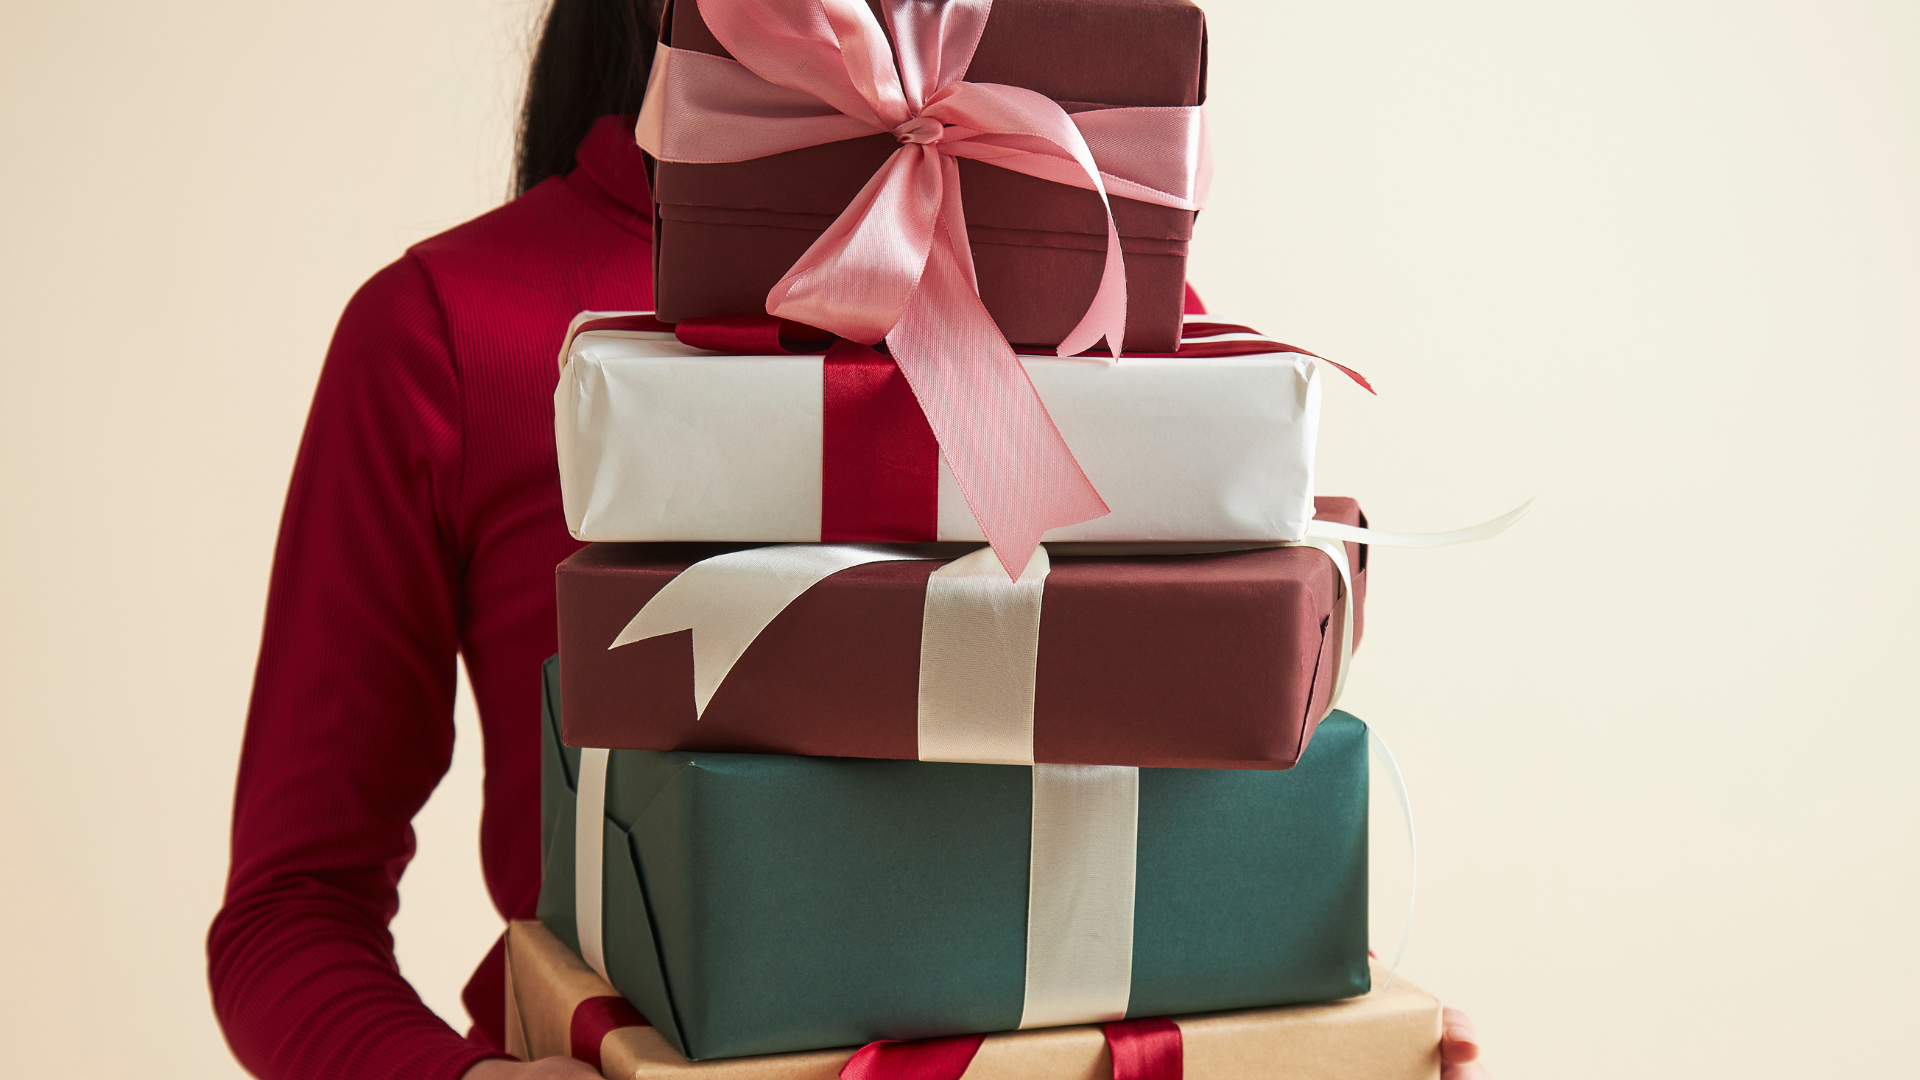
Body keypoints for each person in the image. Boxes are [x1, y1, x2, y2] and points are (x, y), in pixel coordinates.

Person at [204, 1, 1492, 1078]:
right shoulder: (450, 327)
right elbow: (287, 914)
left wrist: (1332, 1032)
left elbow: (1189, 799)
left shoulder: (1101, 311)